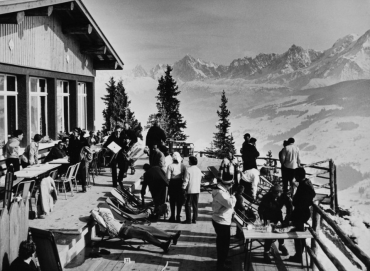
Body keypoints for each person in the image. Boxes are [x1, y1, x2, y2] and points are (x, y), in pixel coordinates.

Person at [91, 207, 181, 253]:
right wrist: (96, 210)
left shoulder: (110, 217)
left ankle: (170, 238)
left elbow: (107, 210)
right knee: (145, 234)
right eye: (104, 214)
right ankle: (163, 245)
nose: (106, 215)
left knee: (149, 230)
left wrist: (99, 209)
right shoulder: (104, 222)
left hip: (126, 226)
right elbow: (96, 215)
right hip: (123, 231)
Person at [258, 185, 292, 263]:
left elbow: (289, 207)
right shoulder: (267, 197)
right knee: (269, 235)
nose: (276, 196)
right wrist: (262, 219)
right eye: (274, 194)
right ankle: (266, 252)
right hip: (268, 215)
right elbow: (260, 209)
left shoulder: (284, 197)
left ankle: (281, 245)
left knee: (281, 231)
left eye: (277, 194)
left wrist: (287, 218)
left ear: (280, 193)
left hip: (278, 215)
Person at [289, 168, 316, 263]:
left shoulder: (303, 186)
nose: (294, 177)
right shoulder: (307, 183)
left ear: (298, 176)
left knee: (298, 235)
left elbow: (298, 200)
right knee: (300, 234)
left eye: (295, 175)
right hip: (304, 212)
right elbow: (312, 194)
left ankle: (298, 256)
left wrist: (295, 201)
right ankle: (299, 255)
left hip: (300, 213)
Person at [212, 173, 236, 271]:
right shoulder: (221, 193)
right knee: (223, 245)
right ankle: (221, 265)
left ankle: (223, 259)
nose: (231, 187)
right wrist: (234, 196)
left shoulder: (223, 190)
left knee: (224, 243)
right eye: (230, 185)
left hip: (223, 219)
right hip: (221, 221)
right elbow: (230, 204)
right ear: (227, 185)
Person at [182, 156, 202, 224]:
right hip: (197, 189)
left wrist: (183, 188)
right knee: (195, 205)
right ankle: (194, 219)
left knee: (188, 204)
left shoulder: (188, 169)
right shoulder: (198, 170)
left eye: (189, 160)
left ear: (191, 162)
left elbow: (186, 180)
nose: (188, 161)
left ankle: (188, 219)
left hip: (190, 189)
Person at [167, 152, 186, 223]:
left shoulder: (170, 166)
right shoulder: (183, 166)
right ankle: (178, 216)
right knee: (179, 201)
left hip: (172, 184)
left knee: (172, 201)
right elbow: (185, 177)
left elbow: (168, 177)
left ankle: (172, 216)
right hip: (180, 184)